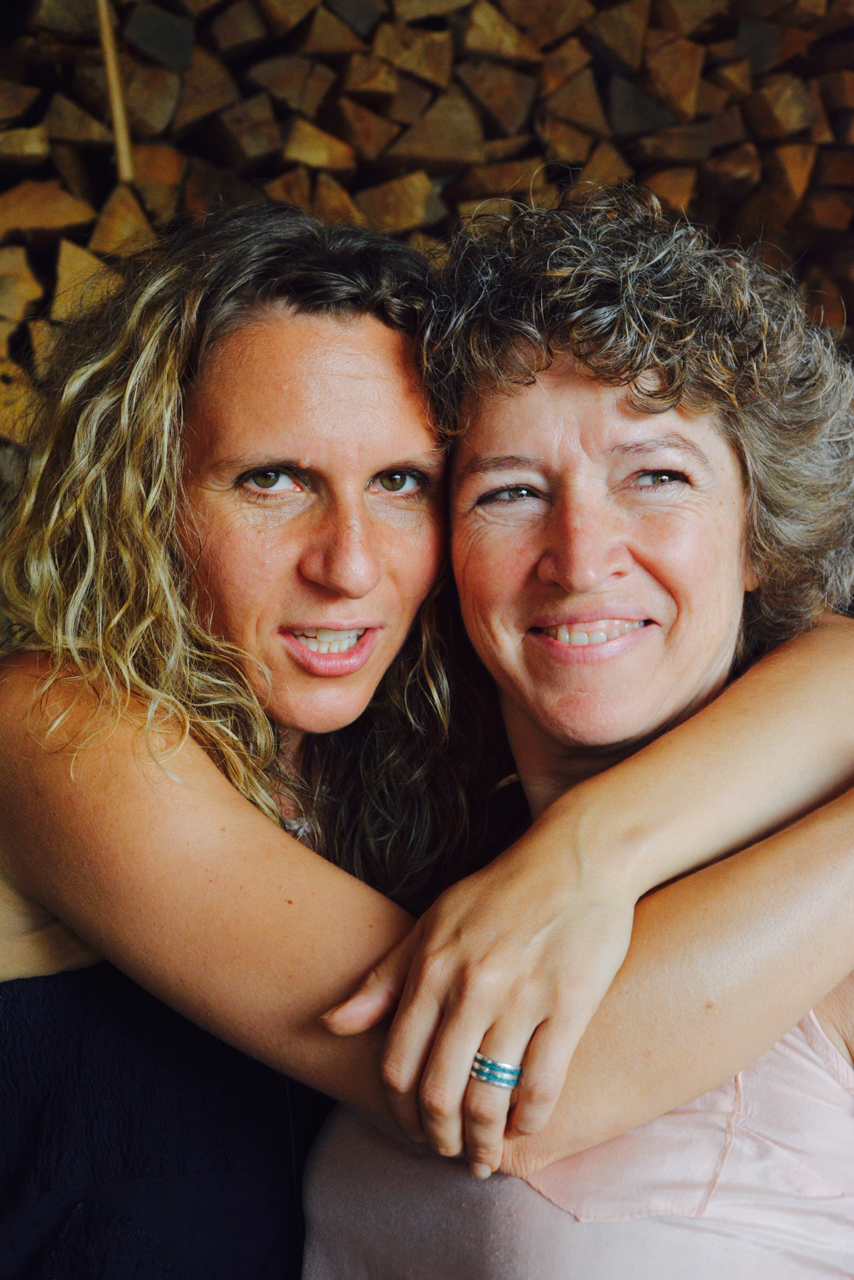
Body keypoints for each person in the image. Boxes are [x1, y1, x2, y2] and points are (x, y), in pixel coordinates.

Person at [2, 199, 854, 1276]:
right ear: (144, 497)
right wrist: (579, 857)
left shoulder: (418, 778)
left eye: (400, 482)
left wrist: (589, 849)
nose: (350, 564)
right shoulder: (55, 728)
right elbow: (515, 1091)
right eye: (272, 479)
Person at [302, 187, 854, 1278]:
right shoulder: (420, 870)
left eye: (656, 475)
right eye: (509, 492)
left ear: (758, 537)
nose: (580, 556)